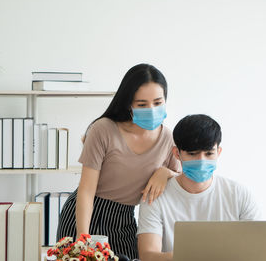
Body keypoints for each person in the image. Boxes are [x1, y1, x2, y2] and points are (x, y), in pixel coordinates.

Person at [56, 63, 180, 259]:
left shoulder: (167, 138)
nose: (151, 109)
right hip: (86, 214)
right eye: (142, 104)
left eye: (158, 102)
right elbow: (86, 190)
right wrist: (83, 238)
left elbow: (183, 181)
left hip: (125, 218)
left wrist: (167, 172)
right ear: (128, 103)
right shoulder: (103, 129)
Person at [137, 114, 266, 261]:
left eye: (209, 153)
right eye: (192, 153)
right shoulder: (156, 196)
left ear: (218, 152)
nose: (201, 161)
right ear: (177, 153)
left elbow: (260, 245)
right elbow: (148, 256)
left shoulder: (238, 194)